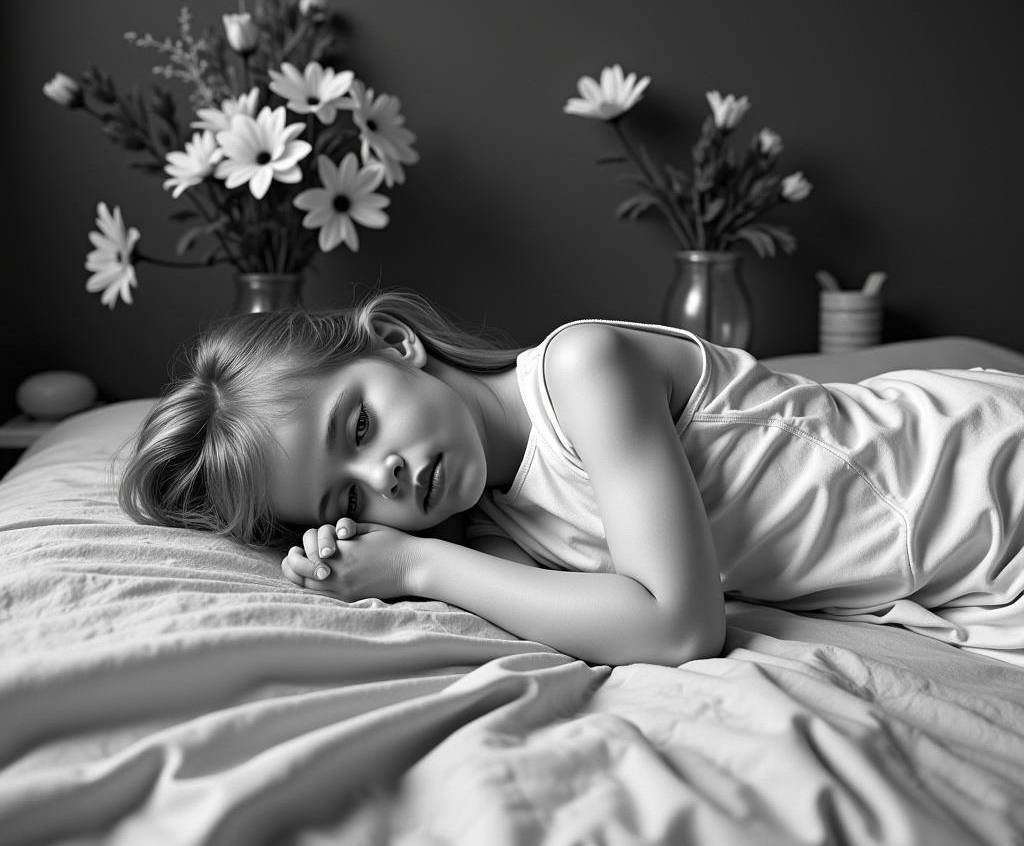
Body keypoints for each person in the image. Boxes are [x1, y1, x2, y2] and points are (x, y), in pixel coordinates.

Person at [120, 289, 1024, 668]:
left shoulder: (581, 371)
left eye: (358, 425)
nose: (385, 475)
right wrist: (345, 555)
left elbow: (677, 626)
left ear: (396, 344)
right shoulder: (498, 527)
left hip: (979, 467)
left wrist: (416, 568)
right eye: (348, 496)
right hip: (949, 560)